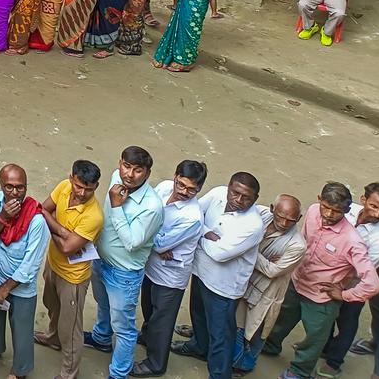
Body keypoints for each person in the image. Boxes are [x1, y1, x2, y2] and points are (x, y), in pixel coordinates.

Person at [263, 182, 379, 379]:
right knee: (282, 318)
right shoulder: (313, 211)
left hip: (322, 297)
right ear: (319, 200)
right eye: (326, 207)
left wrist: (343, 294)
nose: (328, 214)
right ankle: (270, 346)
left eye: (336, 211)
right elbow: (303, 239)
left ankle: (300, 371)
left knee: (314, 338)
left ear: (346, 210)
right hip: (297, 280)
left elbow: (373, 283)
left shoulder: (353, 241)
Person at [172, 173, 266, 379]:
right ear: (228, 187)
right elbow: (194, 214)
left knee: (221, 335)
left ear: (255, 199)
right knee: (198, 316)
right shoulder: (217, 194)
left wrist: (198, 232)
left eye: (246, 197)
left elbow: (220, 254)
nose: (239, 200)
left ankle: (219, 374)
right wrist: (205, 232)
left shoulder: (252, 225)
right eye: (235, 193)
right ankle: (198, 347)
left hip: (223, 287)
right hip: (200, 272)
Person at [85, 146, 164, 379]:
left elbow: (132, 243)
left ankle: (119, 373)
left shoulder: (152, 207)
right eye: (126, 166)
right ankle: (101, 338)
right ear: (120, 163)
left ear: (147, 174)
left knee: (124, 328)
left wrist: (118, 206)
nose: (129, 174)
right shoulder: (115, 178)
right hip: (100, 259)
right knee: (103, 304)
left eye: (138, 170)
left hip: (124, 273)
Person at [131, 160, 207, 377]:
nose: (185, 192)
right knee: (148, 308)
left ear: (200, 188)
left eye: (192, 189)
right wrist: (157, 242)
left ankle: (156, 363)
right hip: (150, 265)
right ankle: (146, 338)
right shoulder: (164, 188)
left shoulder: (192, 217)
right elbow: (144, 212)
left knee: (161, 321)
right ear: (175, 176)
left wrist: (153, 240)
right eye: (181, 185)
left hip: (169, 276)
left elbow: (160, 242)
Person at [0, 164, 48, 378]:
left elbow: (31, 264)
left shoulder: (37, 220)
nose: (15, 193)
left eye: (20, 188)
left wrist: (6, 288)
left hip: (19, 285)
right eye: (9, 187)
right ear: (0, 185)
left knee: (22, 329)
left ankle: (20, 370)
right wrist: (3, 218)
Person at [36, 159, 104, 379]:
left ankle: (68, 373)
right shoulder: (63, 187)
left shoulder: (94, 215)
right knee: (51, 305)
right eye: (79, 185)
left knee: (71, 329)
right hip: (53, 265)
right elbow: (43, 209)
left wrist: (52, 222)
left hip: (73, 278)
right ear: (71, 178)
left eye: (89, 189)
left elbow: (67, 248)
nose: (83, 193)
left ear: (96, 187)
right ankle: (53, 337)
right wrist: (63, 230)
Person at [231, 194, 305, 376]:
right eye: (281, 217)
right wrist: (262, 258)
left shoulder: (297, 245)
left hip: (265, 294)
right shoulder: (261, 215)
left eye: (291, 220)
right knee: (234, 323)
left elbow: (272, 271)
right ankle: (230, 358)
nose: (285, 223)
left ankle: (244, 365)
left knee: (255, 332)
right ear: (272, 209)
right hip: (243, 281)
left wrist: (248, 248)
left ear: (299, 219)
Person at [318, 182, 379, 378]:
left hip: (354, 285)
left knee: (348, 320)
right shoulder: (347, 210)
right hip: (330, 275)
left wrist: (342, 291)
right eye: (374, 206)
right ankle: (324, 347)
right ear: (363, 200)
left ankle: (334, 361)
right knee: (326, 315)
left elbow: (361, 271)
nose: (378, 214)